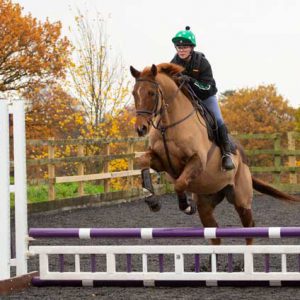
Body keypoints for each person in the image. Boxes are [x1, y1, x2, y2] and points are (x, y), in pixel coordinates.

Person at [171, 26, 235, 171]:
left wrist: (191, 81)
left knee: (218, 119)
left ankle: (226, 154)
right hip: (186, 99)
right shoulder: (173, 63)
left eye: (185, 46)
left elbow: (208, 87)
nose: (181, 49)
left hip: (206, 96)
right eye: (179, 46)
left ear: (191, 48)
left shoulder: (202, 62)